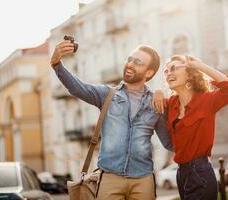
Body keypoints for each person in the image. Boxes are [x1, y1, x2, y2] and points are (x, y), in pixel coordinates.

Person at [50, 39, 173, 200]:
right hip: (109, 178)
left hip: (143, 180)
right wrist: (56, 63)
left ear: (149, 73)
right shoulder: (107, 94)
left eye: (137, 62)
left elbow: (169, 142)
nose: (130, 64)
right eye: (129, 59)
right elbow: (77, 87)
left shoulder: (155, 103)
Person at [152, 55, 228, 200]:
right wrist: (157, 91)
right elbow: (150, 106)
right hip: (181, 173)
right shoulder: (171, 103)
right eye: (166, 71)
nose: (169, 74)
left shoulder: (206, 100)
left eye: (174, 68)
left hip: (201, 172)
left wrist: (199, 65)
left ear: (189, 74)